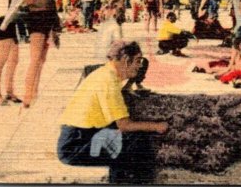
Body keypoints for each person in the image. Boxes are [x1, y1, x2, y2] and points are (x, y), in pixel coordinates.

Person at [57, 40, 168, 184]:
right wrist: (157, 126)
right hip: (74, 146)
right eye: (138, 61)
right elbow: (124, 125)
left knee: (131, 142)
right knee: (138, 147)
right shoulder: (108, 81)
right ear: (126, 60)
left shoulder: (105, 73)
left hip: (79, 137)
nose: (139, 66)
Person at [0, 0, 62, 108]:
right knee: (35, 59)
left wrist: (56, 23)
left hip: (47, 18)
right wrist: (5, 22)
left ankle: (34, 94)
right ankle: (28, 97)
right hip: (37, 18)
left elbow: (50, 0)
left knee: (42, 59)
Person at [0, 0, 43, 105]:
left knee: (14, 60)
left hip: (10, 23)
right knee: (0, 61)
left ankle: (9, 91)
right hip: (1, 23)